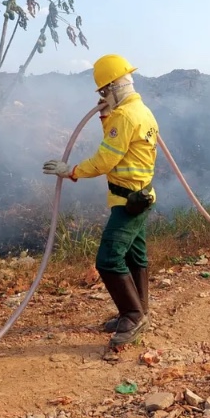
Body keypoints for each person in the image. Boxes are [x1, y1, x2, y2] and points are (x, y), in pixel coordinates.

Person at [43, 54, 159, 350]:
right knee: (135, 256)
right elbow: (120, 143)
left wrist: (70, 171)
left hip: (128, 202)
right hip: (139, 196)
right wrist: (107, 115)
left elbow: (106, 159)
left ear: (114, 87)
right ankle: (137, 310)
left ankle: (133, 316)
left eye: (103, 91)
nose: (102, 97)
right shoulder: (140, 111)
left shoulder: (125, 116)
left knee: (108, 260)